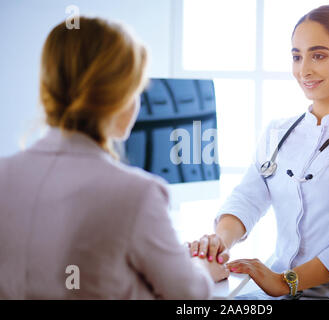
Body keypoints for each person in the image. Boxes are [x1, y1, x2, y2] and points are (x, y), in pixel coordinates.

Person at [188, 5, 329, 300]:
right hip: (276, 290)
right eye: (296, 56)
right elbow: (248, 198)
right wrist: (220, 242)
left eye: (318, 55)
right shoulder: (278, 132)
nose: (303, 69)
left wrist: (285, 282)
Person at [0, 16, 228, 300]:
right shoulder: (137, 193)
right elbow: (189, 294)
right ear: (119, 95)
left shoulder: (4, 174)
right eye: (137, 88)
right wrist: (202, 267)